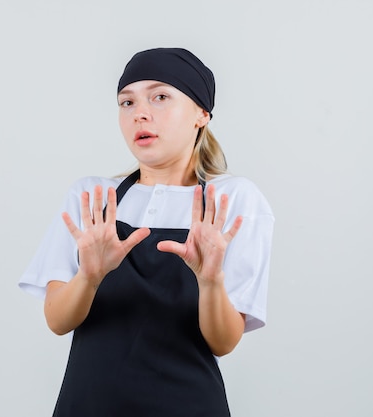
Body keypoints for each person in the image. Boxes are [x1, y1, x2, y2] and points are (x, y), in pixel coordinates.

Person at [19, 47, 274, 416]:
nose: (140, 113)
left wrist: (210, 280)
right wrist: (90, 276)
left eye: (160, 97)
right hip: (88, 406)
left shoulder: (233, 200)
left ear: (201, 114)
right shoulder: (92, 198)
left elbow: (223, 342)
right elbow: (58, 321)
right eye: (127, 102)